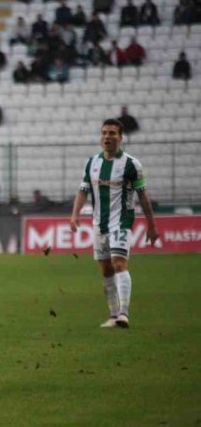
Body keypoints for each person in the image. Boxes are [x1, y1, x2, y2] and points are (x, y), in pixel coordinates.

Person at [69, 119, 158, 329]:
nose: (107, 137)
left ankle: (124, 314)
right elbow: (83, 191)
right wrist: (75, 215)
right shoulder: (92, 163)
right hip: (99, 224)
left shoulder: (130, 164)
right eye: (104, 133)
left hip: (122, 222)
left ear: (121, 137)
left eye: (112, 133)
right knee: (106, 270)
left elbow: (143, 195)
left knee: (119, 264)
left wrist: (151, 225)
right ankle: (113, 315)